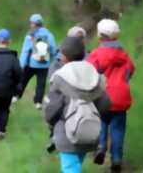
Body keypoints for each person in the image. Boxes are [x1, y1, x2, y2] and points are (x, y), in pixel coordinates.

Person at [44, 36, 109, 173]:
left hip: (66, 133)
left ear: (64, 56)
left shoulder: (60, 77)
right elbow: (105, 103)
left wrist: (51, 124)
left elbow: (52, 109)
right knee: (75, 164)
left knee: (70, 168)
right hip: (89, 131)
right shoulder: (93, 74)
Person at [88, 19, 135, 173]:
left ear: (100, 36)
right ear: (116, 36)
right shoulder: (124, 55)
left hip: (102, 96)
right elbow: (130, 70)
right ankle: (116, 159)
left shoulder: (96, 54)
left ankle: (101, 147)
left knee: (101, 122)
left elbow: (89, 72)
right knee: (118, 129)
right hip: (121, 97)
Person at [17, 14, 57, 109]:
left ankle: (16, 95)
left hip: (31, 63)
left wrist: (21, 65)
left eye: (31, 23)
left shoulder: (30, 36)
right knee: (41, 83)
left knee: (23, 79)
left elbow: (25, 51)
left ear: (33, 24)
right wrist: (50, 60)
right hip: (44, 63)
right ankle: (38, 102)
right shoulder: (49, 35)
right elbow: (53, 50)